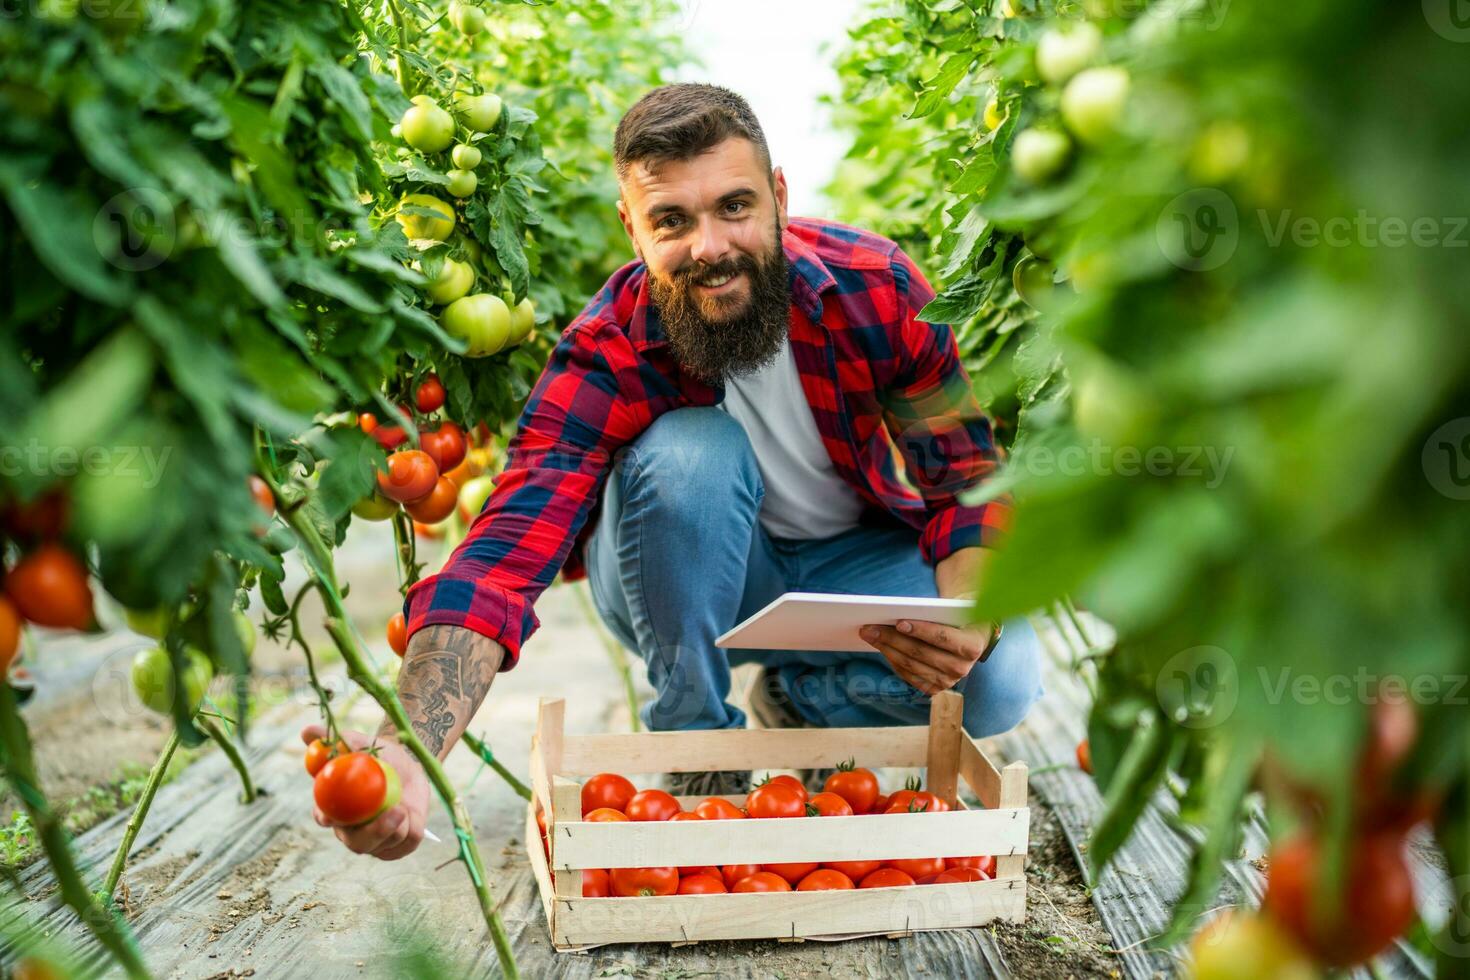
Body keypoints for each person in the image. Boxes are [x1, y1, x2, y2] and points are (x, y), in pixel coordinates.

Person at [305, 83, 1041, 860]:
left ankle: (795, 701)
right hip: (683, 577)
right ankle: (695, 745)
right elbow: (507, 545)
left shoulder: (873, 288)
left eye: (734, 206)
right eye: (672, 221)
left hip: (842, 563)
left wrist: (969, 620)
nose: (710, 246)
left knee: (1003, 677)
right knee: (692, 450)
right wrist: (407, 748)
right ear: (632, 229)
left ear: (779, 198)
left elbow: (963, 476)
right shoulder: (609, 345)